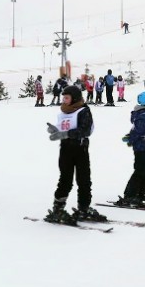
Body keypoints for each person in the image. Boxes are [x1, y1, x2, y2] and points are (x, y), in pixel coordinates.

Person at [43, 86, 106, 225]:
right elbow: (63, 127)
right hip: (65, 149)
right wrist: (55, 130)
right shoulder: (63, 112)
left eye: (66, 98)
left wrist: (66, 134)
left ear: (74, 98)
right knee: (65, 180)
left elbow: (86, 130)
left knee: (84, 180)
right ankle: (57, 209)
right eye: (63, 98)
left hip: (80, 149)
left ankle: (83, 208)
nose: (64, 100)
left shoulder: (84, 110)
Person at [117, 91, 145, 207]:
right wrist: (131, 138)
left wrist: (131, 137)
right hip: (141, 147)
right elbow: (139, 131)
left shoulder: (144, 115)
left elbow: (137, 130)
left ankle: (140, 193)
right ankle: (130, 195)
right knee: (140, 171)